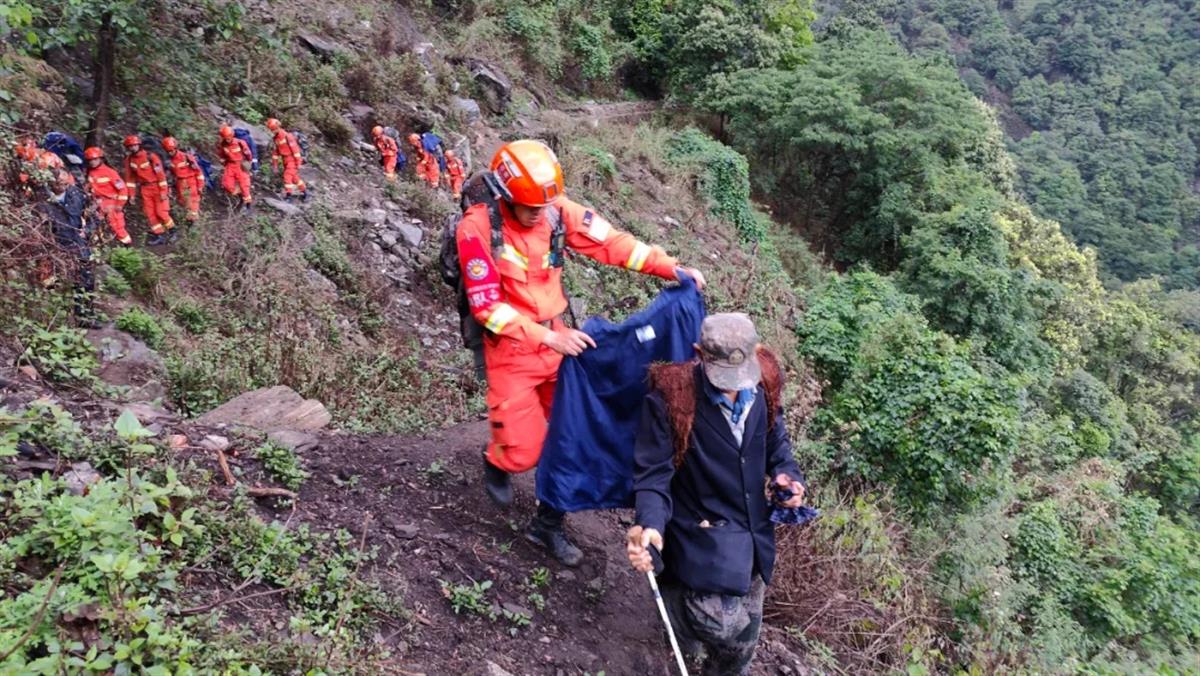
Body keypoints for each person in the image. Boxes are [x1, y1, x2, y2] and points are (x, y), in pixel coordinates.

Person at [456, 138, 705, 565]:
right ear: (505, 195)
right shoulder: (476, 229)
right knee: (523, 452)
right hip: (513, 348)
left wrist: (671, 267)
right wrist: (545, 337)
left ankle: (547, 524)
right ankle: (498, 459)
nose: (539, 215)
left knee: (576, 434)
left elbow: (613, 243)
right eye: (529, 207)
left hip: (559, 342)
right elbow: (486, 309)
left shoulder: (556, 211)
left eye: (544, 206)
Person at [625, 313, 807, 676]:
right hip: (701, 528)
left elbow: (776, 444)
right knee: (723, 626)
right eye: (724, 377)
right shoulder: (671, 400)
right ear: (699, 353)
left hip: (753, 533)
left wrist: (788, 477)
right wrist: (649, 524)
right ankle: (676, 607)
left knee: (745, 639)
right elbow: (653, 475)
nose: (733, 388)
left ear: (756, 353)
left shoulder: (765, 384)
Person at [35, 171, 98, 327]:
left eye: (65, 183)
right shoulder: (42, 202)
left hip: (79, 244)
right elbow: (37, 229)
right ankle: (55, 321)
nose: (63, 186)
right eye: (58, 183)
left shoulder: (76, 195)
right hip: (56, 247)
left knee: (87, 280)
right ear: (51, 183)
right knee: (52, 284)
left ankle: (86, 317)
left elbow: (94, 217)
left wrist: (87, 231)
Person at [122, 134, 175, 244]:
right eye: (130, 146)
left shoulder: (151, 156)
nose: (133, 148)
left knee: (161, 212)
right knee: (150, 213)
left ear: (139, 145)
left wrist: (164, 190)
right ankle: (159, 235)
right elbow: (130, 178)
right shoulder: (129, 160)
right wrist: (131, 195)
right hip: (145, 189)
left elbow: (161, 175)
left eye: (134, 145)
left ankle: (173, 231)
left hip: (157, 186)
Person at [83, 146, 133, 245]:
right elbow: (90, 185)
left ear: (101, 159)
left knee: (116, 225)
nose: (93, 162)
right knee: (97, 225)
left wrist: (119, 204)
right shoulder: (90, 172)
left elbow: (122, 189)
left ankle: (127, 246)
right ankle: (98, 245)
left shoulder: (110, 172)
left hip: (111, 203)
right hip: (97, 203)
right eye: (90, 160)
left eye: (95, 159)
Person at [161, 136, 204, 223]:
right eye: (168, 151)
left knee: (193, 203)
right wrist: (169, 188)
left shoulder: (186, 157)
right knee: (183, 203)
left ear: (176, 148)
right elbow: (169, 176)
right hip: (179, 183)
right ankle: (189, 222)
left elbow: (198, 172)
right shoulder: (168, 162)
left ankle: (192, 224)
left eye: (172, 150)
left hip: (191, 182)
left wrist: (200, 186)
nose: (170, 153)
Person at [265, 118, 308, 202]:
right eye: (271, 130)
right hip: (285, 160)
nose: (272, 131)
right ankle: (306, 193)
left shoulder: (287, 136)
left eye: (273, 129)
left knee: (287, 176)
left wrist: (298, 163)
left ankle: (289, 196)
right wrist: (275, 165)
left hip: (292, 160)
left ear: (277, 127)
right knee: (295, 179)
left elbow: (295, 150)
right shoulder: (276, 138)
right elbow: (276, 153)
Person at [216, 125, 253, 211]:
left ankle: (248, 206)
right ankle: (240, 196)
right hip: (230, 165)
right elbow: (221, 156)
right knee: (227, 184)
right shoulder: (223, 145)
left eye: (229, 137)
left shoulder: (240, 143)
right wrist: (223, 163)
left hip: (240, 165)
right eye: (225, 138)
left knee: (245, 186)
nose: (227, 139)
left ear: (232, 135)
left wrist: (248, 164)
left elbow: (248, 154)